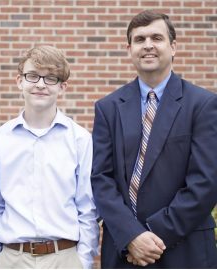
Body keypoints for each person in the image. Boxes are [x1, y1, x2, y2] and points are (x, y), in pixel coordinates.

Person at [91, 9, 217, 268]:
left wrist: (150, 234)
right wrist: (132, 235)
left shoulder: (203, 105)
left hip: (185, 250)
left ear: (173, 47)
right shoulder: (108, 108)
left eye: (156, 38)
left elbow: (205, 182)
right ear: (129, 50)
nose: (148, 45)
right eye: (139, 39)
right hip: (124, 252)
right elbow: (101, 179)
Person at [0, 45, 99, 269]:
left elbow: (87, 209)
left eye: (50, 78)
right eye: (33, 76)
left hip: (65, 257)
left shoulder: (80, 140)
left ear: (62, 87)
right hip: (11, 259)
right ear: (20, 81)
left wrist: (82, 262)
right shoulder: (0, 139)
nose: (40, 84)